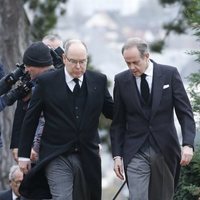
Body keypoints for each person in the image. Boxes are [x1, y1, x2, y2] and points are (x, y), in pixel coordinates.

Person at [17, 39, 113, 200]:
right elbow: (30, 119)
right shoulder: (46, 82)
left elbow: (113, 112)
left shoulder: (99, 81)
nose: (78, 66)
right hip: (56, 155)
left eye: (82, 62)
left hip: (88, 155)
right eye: (73, 61)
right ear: (64, 59)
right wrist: (23, 156)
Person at [110, 37, 196, 200]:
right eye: (127, 63)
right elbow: (118, 123)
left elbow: (185, 112)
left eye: (135, 62)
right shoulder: (121, 80)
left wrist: (188, 144)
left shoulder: (169, 74)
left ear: (146, 56)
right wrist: (117, 155)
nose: (132, 67)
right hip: (135, 151)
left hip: (165, 149)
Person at [10, 41, 54, 162]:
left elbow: (44, 119)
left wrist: (35, 147)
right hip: (29, 149)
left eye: (29, 66)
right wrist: (16, 144)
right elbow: (20, 113)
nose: (27, 69)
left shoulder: (52, 83)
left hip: (46, 149)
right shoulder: (29, 82)